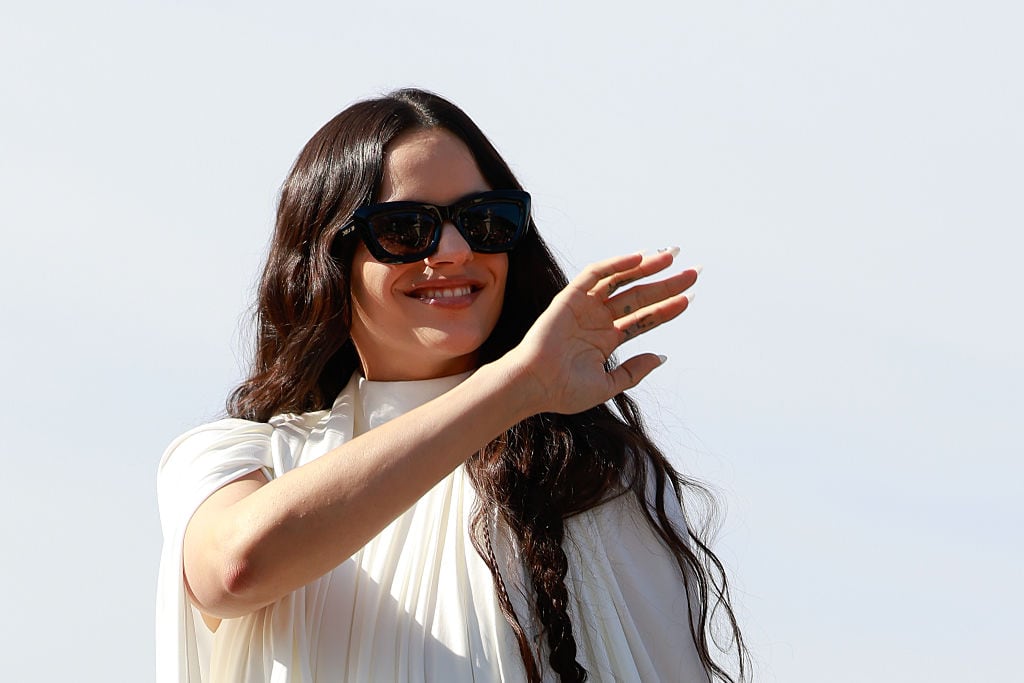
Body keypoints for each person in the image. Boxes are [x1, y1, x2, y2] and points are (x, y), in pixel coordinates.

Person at [156, 88, 747, 683]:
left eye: (484, 221)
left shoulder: (589, 469)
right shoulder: (239, 457)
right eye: (408, 229)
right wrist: (518, 385)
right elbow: (235, 569)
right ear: (327, 256)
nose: (457, 250)